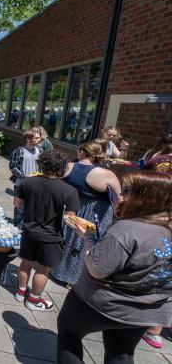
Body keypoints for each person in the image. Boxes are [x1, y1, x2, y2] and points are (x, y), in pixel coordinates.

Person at [56, 171, 172, 363]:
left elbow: (96, 269)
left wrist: (90, 238)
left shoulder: (127, 229)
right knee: (122, 353)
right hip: (146, 312)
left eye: (126, 191)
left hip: (101, 303)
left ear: (145, 197)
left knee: (68, 334)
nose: (122, 195)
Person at [14, 151, 80, 311]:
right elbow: (70, 218)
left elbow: (17, 203)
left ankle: (20, 292)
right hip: (51, 236)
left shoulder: (27, 182)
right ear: (62, 168)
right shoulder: (69, 190)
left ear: (42, 164)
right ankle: (34, 300)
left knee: (26, 262)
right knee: (43, 268)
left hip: (29, 230)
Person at [51, 142, 122, 287]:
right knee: (87, 242)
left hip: (70, 208)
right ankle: (77, 278)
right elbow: (118, 201)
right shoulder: (107, 174)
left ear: (81, 152)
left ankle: (57, 271)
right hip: (96, 212)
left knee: (67, 238)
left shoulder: (67, 167)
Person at [9, 129, 42, 227]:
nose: (39, 140)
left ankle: (26, 229)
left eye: (39, 137)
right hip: (21, 184)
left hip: (35, 184)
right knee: (19, 209)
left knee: (32, 208)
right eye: (36, 138)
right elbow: (12, 166)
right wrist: (24, 176)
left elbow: (41, 166)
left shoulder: (39, 150)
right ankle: (17, 230)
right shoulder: (19, 151)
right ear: (28, 139)